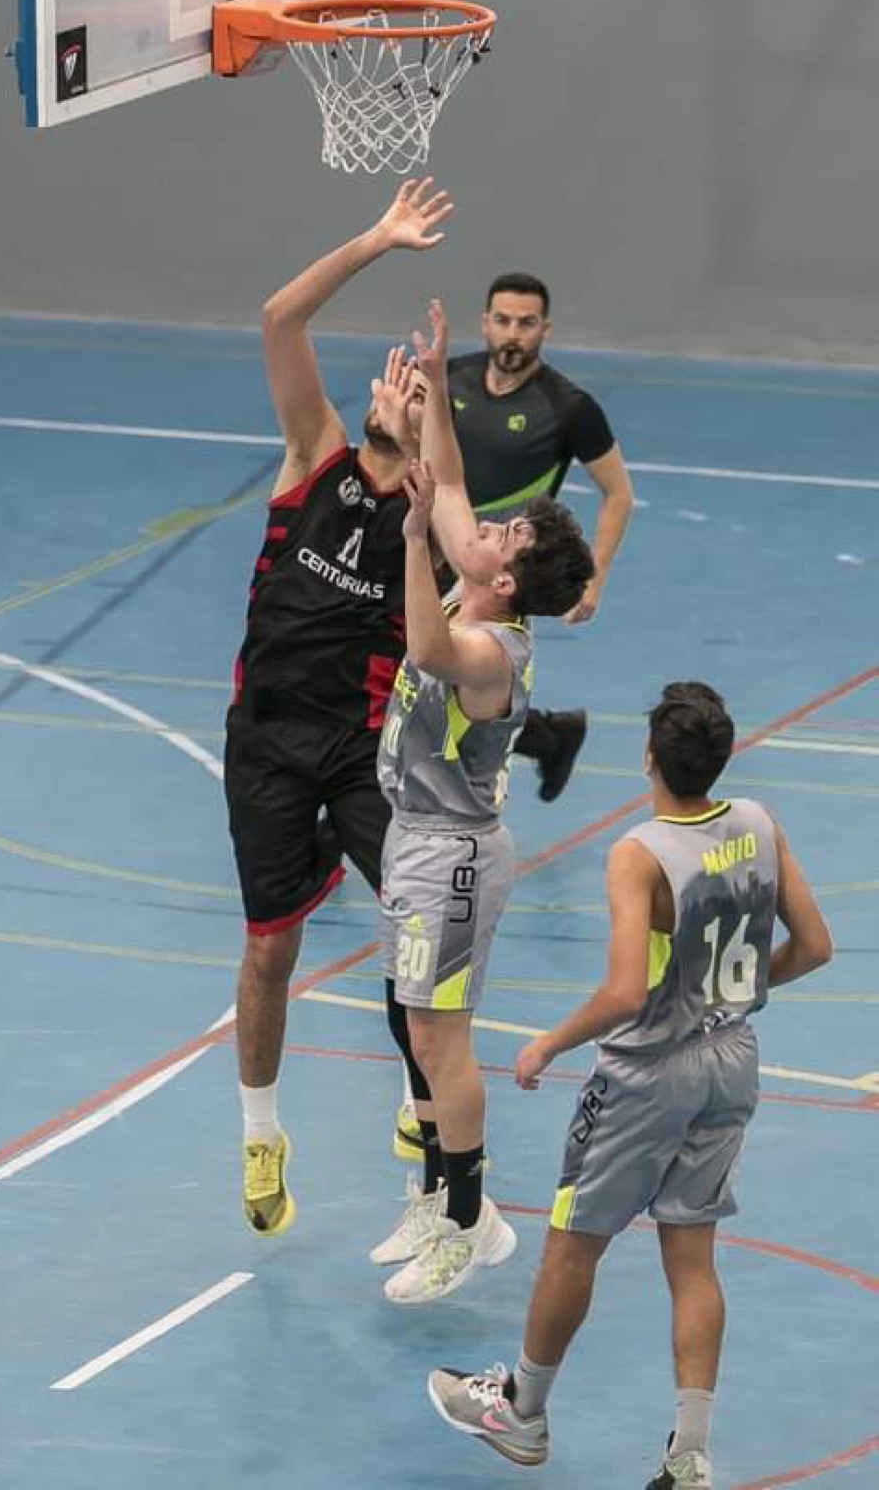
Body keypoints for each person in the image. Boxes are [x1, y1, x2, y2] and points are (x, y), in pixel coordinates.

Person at [427, 681, 834, 1486]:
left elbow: (621, 992)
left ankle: (522, 1413)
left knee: (571, 1244)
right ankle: (689, 1456)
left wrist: (547, 1044)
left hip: (647, 1074)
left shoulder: (639, 854)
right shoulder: (759, 823)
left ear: (649, 757)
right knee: (692, 1258)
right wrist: (730, 995)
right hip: (731, 1059)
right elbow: (814, 946)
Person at [228, 178, 455, 1238]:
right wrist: (377, 238)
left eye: (405, 387)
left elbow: (453, 509)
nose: (388, 383)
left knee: (416, 927)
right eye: (388, 377)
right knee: (269, 950)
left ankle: (418, 1100)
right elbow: (281, 317)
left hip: (366, 748)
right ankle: (260, 1131)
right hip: (265, 742)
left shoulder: (428, 511)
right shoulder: (313, 454)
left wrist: (432, 413)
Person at [370, 301, 595, 1303]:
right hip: (413, 836)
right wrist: (434, 400)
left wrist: (415, 536)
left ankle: (469, 1220)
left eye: (502, 533)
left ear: (502, 577)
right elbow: (455, 480)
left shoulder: (490, 649)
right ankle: (438, 1194)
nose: (487, 525)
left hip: (452, 856)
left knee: (440, 1038)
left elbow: (426, 648)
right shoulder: (483, 580)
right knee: (411, 1021)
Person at [448, 272, 636, 804]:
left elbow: (619, 494)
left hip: (498, 579)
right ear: (485, 323)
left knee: (462, 695)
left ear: (545, 330)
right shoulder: (449, 380)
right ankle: (552, 737)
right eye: (503, 321)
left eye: (526, 324)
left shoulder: (569, 408)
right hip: (432, 556)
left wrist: (595, 578)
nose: (513, 334)